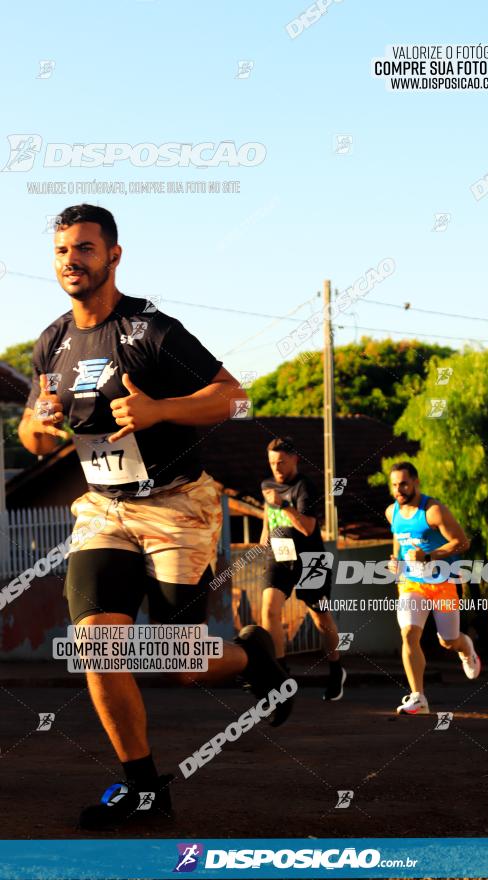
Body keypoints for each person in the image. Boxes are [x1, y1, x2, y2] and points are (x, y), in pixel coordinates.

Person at [17, 204, 294, 830]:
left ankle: (253, 658)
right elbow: (35, 438)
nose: (72, 260)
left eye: (86, 249)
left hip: (175, 503)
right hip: (102, 509)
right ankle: (143, 786)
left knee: (179, 661)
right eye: (63, 250)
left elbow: (234, 396)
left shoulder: (149, 330)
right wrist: (40, 425)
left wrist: (160, 411)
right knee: (100, 646)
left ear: (113, 256)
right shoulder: (51, 342)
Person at [385, 461, 481, 715]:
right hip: (411, 583)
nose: (399, 489)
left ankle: (466, 648)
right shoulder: (391, 512)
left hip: (443, 582)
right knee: (408, 635)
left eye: (404, 483)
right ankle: (418, 697)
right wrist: (395, 560)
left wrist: (429, 556)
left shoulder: (434, 510)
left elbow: (461, 543)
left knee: (448, 641)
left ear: (416, 482)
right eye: (394, 485)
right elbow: (398, 536)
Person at [259, 437, 346, 701]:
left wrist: (284, 505)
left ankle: (336, 669)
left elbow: (307, 528)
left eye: (282, 462)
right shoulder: (266, 485)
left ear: (295, 459)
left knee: (321, 617)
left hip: (311, 559)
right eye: (273, 463)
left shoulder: (305, 486)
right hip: (279, 557)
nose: (277, 468)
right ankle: (281, 675)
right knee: (269, 610)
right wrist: (263, 541)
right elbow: (267, 513)